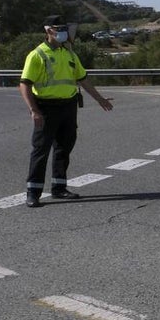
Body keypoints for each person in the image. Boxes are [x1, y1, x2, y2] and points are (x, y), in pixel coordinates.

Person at [19, 15, 114, 208]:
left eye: (64, 29)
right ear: (48, 31)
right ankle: (33, 192)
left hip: (68, 107)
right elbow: (25, 84)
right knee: (41, 150)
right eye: (58, 29)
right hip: (46, 107)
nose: (62, 32)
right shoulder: (37, 55)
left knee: (64, 148)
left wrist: (100, 99)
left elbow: (83, 79)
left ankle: (59, 188)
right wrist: (33, 110)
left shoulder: (69, 54)